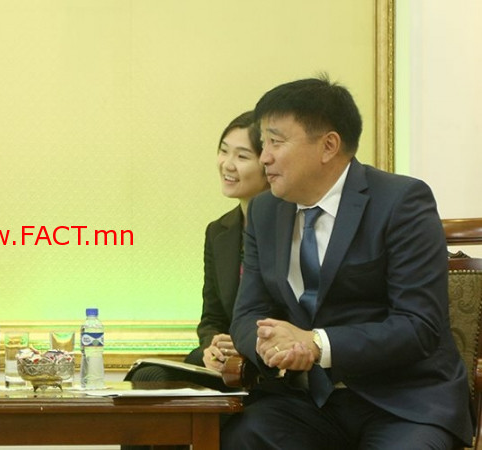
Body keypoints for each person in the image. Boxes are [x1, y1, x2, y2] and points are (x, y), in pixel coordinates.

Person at [222, 76, 473, 449]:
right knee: (242, 434)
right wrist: (270, 345)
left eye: (276, 142)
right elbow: (247, 314)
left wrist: (316, 344)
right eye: (263, 143)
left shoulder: (401, 201)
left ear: (328, 145)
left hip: (401, 402)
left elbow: (418, 326)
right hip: (308, 402)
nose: (264, 157)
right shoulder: (265, 210)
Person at [125, 111, 269, 387]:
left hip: (265, 359)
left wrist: (245, 342)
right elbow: (211, 318)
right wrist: (211, 347)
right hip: (226, 360)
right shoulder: (218, 231)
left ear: (268, 164)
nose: (227, 164)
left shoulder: (289, 228)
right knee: (148, 376)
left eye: (242, 156)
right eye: (223, 151)